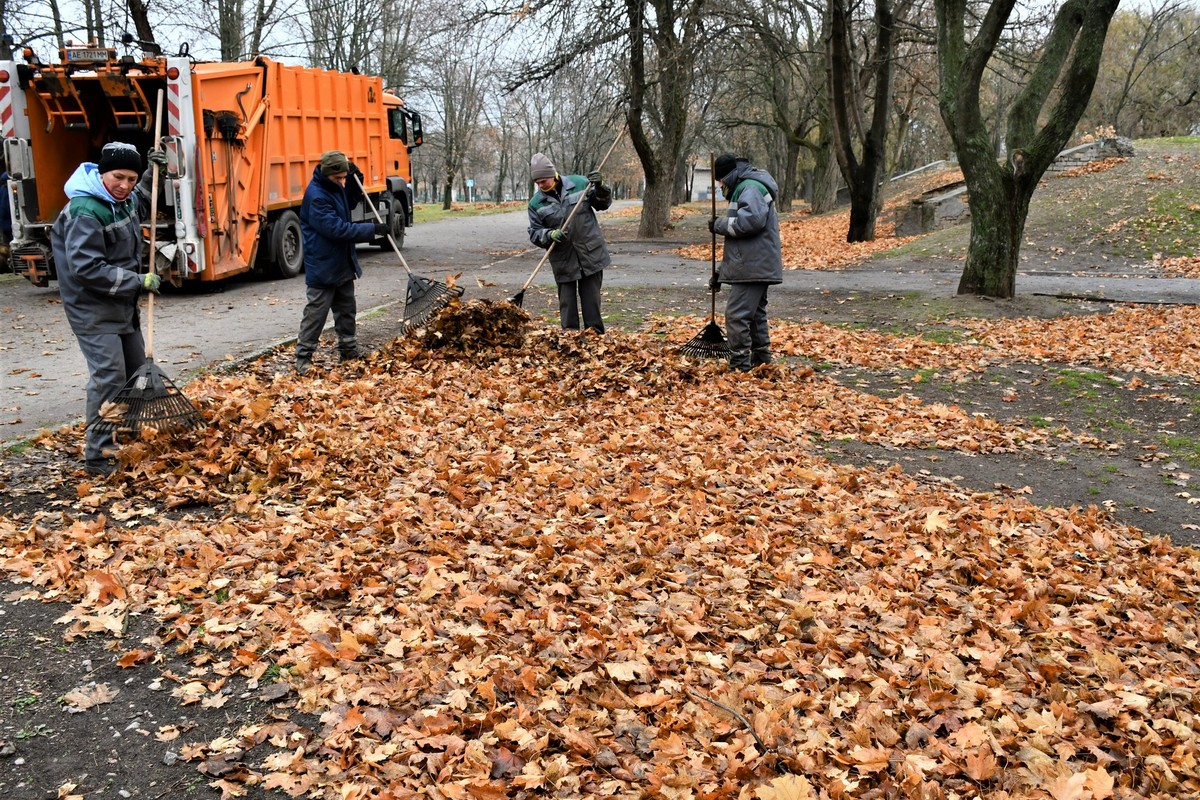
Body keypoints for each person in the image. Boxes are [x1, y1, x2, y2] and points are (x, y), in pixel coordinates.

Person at [51, 141, 168, 476]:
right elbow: (85, 269)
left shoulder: (123, 199)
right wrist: (137, 281)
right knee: (109, 377)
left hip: (121, 305)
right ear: (102, 173)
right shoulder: (85, 211)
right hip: (92, 308)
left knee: (134, 370)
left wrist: (151, 174)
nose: (125, 185)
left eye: (131, 178)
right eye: (119, 177)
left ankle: (126, 435)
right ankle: (98, 453)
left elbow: (142, 201)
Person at [294, 151, 386, 375]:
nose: (343, 182)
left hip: (342, 262)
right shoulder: (317, 196)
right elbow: (336, 229)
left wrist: (357, 178)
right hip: (323, 264)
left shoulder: (335, 187)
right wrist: (372, 230)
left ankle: (348, 350)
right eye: (339, 178)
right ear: (328, 175)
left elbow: (352, 199)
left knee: (347, 309)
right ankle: (303, 359)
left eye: (345, 178)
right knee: (316, 313)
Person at [708, 153, 783, 372]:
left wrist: (718, 224)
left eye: (719, 180)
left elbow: (749, 222)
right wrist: (721, 273)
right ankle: (761, 360)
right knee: (755, 314)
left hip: (754, 265)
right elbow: (740, 242)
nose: (719, 185)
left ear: (728, 176)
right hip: (754, 264)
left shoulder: (750, 188)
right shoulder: (745, 187)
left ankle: (740, 365)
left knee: (737, 315)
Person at [527, 153, 612, 333]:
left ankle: (594, 337)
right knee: (567, 305)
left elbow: (602, 204)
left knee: (592, 302)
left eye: (543, 181)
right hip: (563, 260)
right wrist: (549, 235)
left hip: (590, 253)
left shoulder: (580, 184)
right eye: (537, 183)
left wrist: (600, 187)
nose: (541, 186)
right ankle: (570, 339)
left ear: (553, 174)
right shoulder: (536, 203)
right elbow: (534, 233)